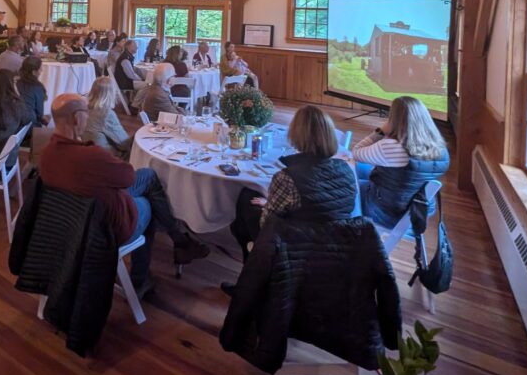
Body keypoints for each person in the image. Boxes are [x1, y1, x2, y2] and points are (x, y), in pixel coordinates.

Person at [40, 93, 210, 294]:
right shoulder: (90, 155)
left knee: (147, 177)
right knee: (148, 200)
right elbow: (128, 177)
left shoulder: (46, 153)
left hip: (69, 223)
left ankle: (180, 242)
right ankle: (141, 278)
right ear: (78, 118)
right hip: (103, 229)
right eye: (86, 112)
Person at [228, 106, 357, 269]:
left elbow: (267, 223)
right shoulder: (346, 169)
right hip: (337, 243)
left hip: (296, 245)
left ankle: (252, 275)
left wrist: (268, 205)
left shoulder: (287, 177)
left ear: (296, 135)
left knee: (246, 198)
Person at [351, 96, 450, 229]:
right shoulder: (441, 149)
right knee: (362, 170)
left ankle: (350, 231)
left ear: (395, 120)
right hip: (419, 210)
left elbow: (356, 152)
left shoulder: (391, 147)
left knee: (348, 186)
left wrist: (380, 131)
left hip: (387, 212)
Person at [82, 76, 131, 157]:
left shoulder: (84, 108)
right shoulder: (106, 114)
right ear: (111, 94)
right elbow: (123, 143)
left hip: (88, 151)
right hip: (104, 157)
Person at [16, 56, 50, 133]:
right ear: (34, 72)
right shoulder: (37, 87)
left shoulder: (15, 83)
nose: (42, 71)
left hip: (13, 126)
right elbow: (39, 114)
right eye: (40, 69)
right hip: (29, 128)